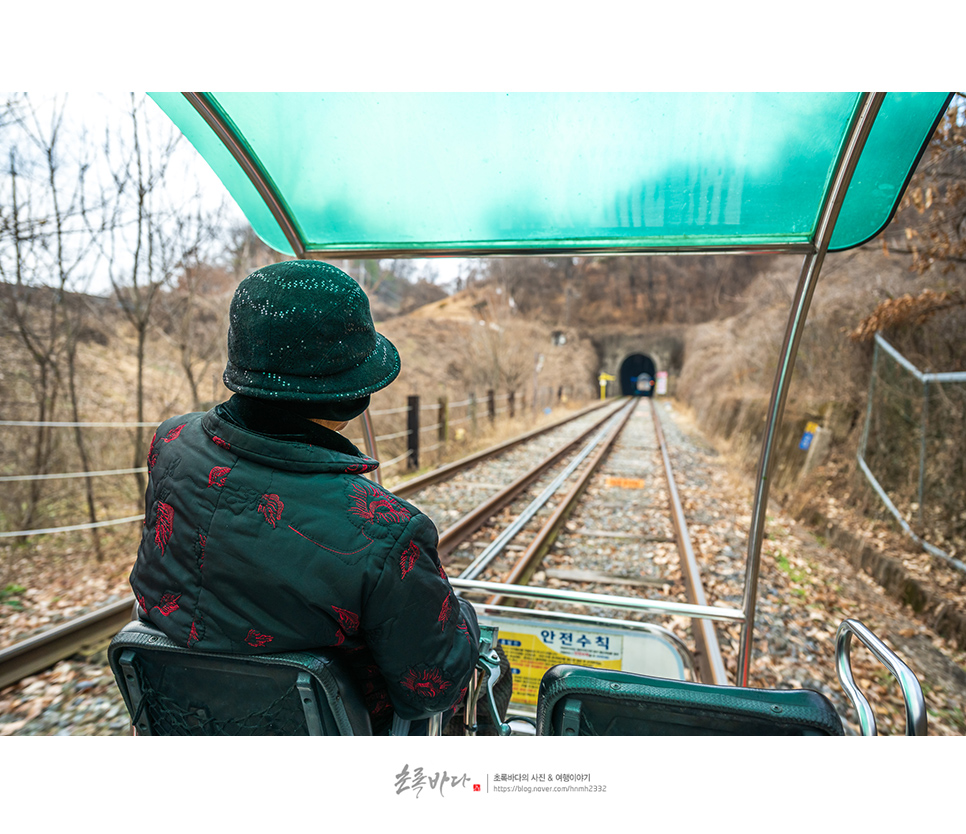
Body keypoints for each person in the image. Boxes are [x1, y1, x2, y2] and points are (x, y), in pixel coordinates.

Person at [130, 260, 491, 734]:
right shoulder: (387, 530)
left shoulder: (171, 441)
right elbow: (432, 689)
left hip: (185, 722)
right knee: (484, 661)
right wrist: (464, 616)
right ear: (352, 399)